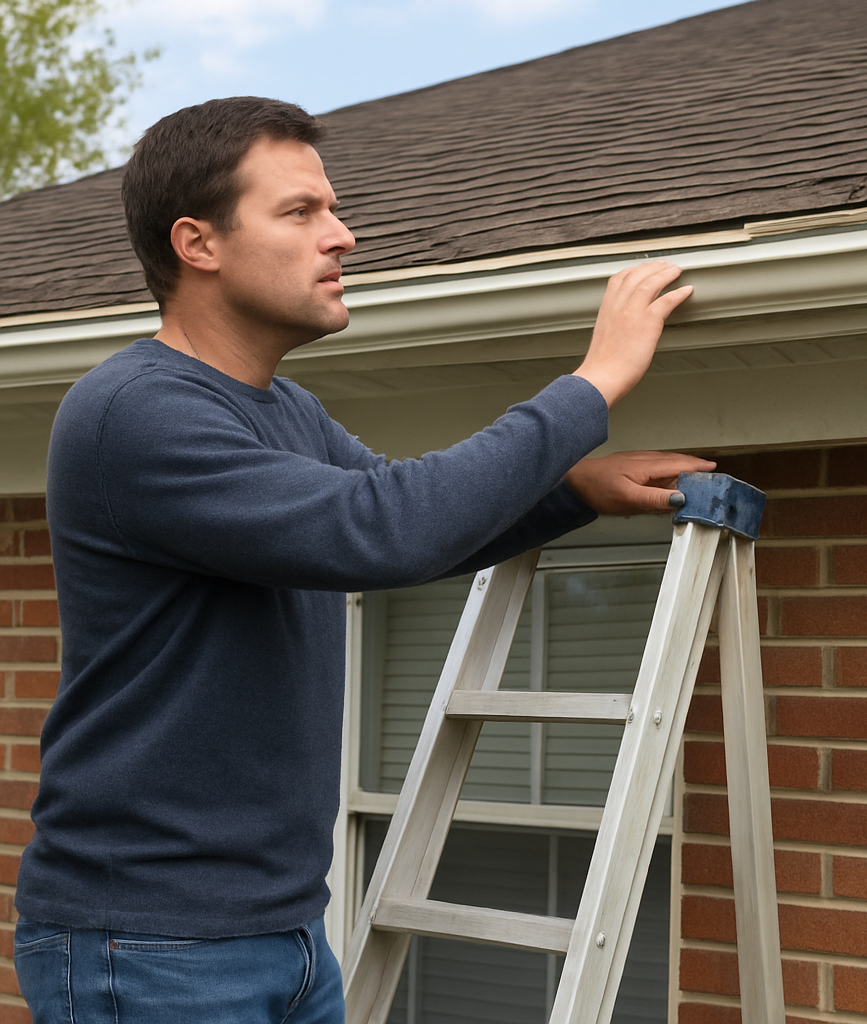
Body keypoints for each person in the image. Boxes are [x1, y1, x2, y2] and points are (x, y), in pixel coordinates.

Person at [13, 96, 714, 1023]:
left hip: (287, 933)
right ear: (198, 243)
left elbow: (406, 521)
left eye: (333, 211)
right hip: (152, 945)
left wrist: (570, 492)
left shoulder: (282, 411)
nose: (342, 236)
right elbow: (390, 527)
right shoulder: (136, 414)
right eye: (301, 213)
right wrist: (596, 380)